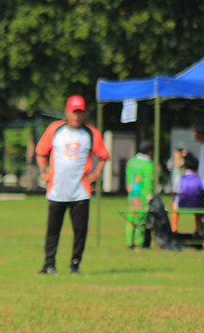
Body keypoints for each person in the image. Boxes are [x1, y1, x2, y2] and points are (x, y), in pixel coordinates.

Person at [35, 95, 110, 275]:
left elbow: (103, 155)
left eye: (80, 112)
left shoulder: (91, 133)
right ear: (67, 112)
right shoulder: (55, 129)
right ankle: (49, 264)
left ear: (83, 113)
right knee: (52, 230)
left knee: (80, 231)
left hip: (80, 192)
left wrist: (96, 174)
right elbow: (40, 151)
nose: (76, 115)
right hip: (56, 189)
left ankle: (75, 263)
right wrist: (43, 171)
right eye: (73, 111)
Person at [125, 142, 154, 249]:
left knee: (131, 218)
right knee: (140, 220)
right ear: (150, 152)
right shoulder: (148, 165)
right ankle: (139, 244)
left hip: (132, 194)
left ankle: (129, 243)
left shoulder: (132, 162)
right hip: (141, 196)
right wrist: (149, 197)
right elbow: (148, 183)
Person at [175, 153, 204, 236]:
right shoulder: (199, 179)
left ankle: (174, 229)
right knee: (200, 208)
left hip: (182, 204)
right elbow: (202, 191)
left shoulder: (180, 178)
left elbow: (175, 191)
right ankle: (197, 230)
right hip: (196, 205)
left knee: (174, 205)